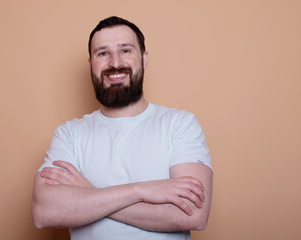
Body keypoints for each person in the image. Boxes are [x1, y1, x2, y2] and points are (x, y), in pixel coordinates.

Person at [32, 16, 213, 240]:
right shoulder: (69, 134)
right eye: (103, 53)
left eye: (125, 50)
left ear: (144, 59)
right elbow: (44, 212)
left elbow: (193, 214)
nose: (115, 62)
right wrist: (142, 191)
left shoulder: (180, 125)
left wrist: (91, 194)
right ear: (91, 64)